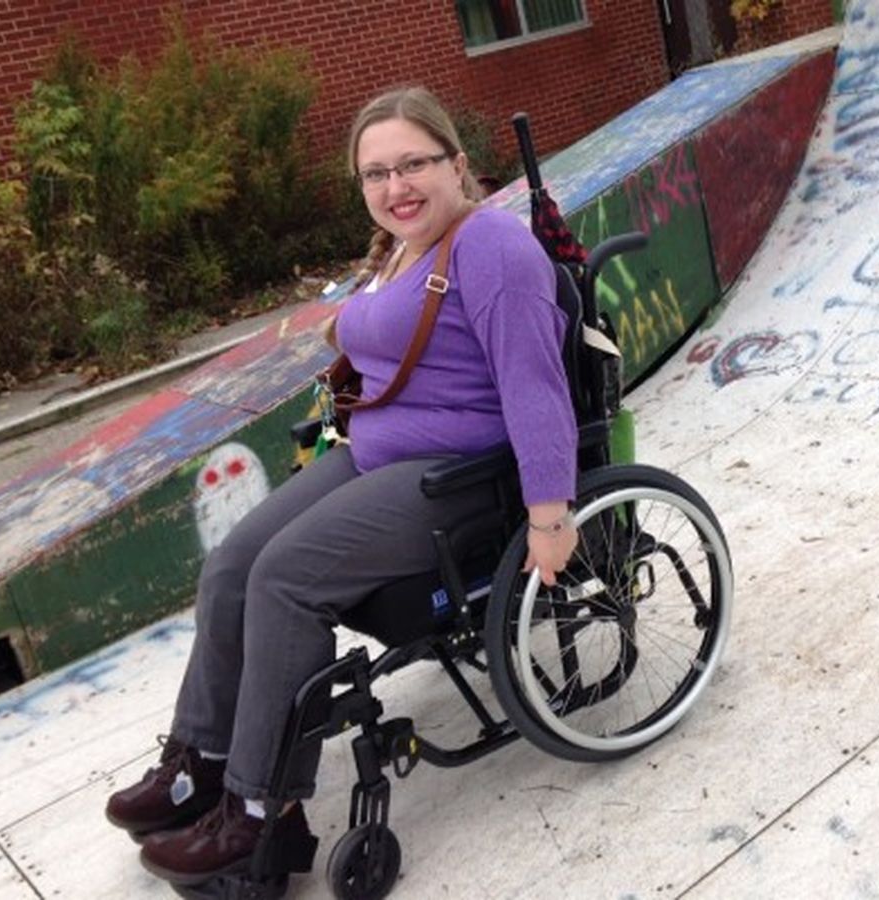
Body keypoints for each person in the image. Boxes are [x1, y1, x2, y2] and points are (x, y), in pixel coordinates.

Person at [105, 85, 579, 887]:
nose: (395, 187)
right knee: (231, 567)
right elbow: (387, 335)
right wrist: (347, 327)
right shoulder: (399, 247)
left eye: (413, 165)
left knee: (284, 579)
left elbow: (536, 388)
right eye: (375, 173)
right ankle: (204, 759)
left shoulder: (491, 247)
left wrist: (550, 517)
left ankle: (263, 813)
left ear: (457, 163)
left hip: (455, 475)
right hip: (371, 451)